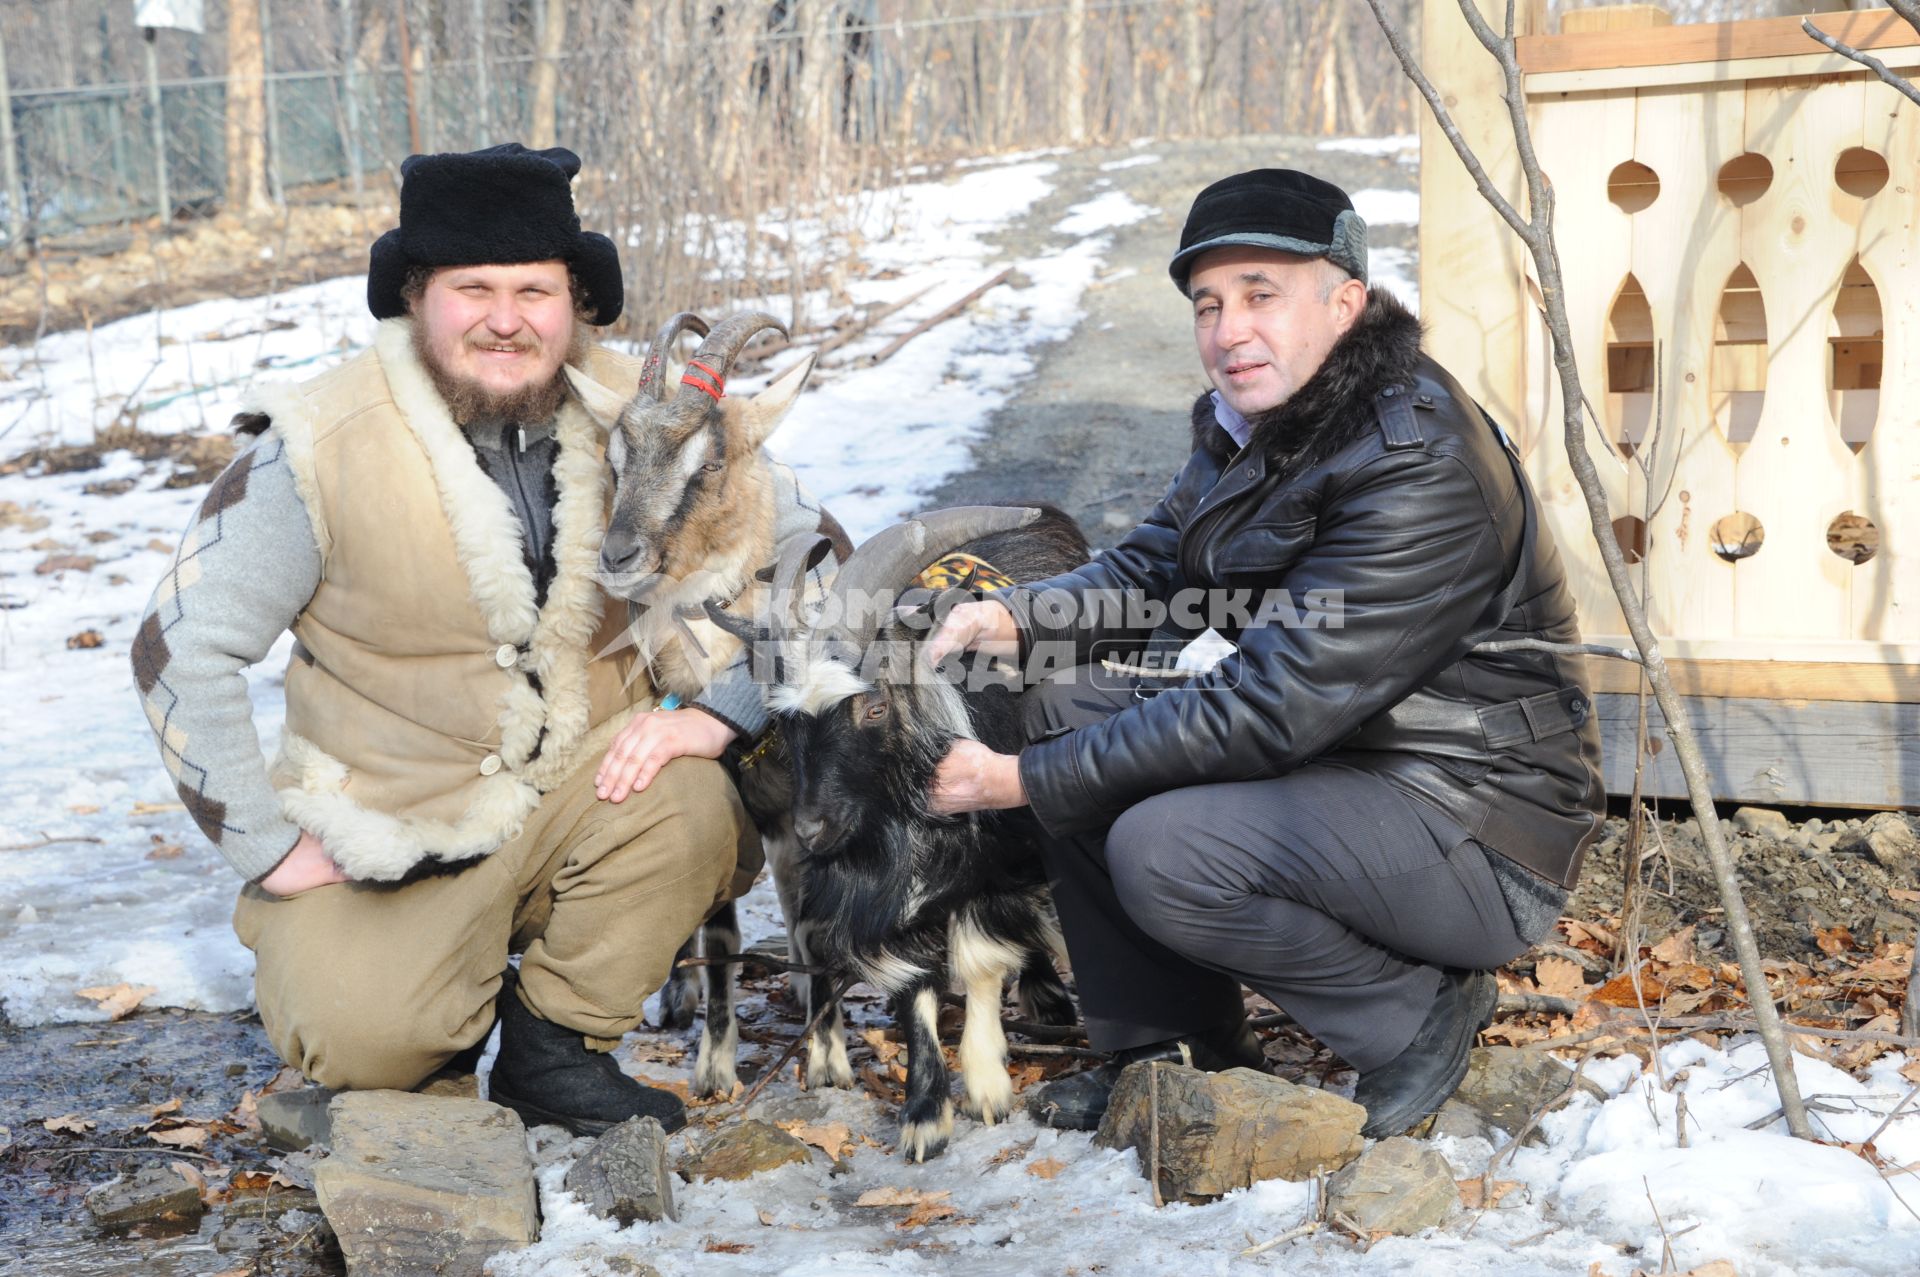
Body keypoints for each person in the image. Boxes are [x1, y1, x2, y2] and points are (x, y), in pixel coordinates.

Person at [130, 143, 831, 1136]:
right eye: (473, 287)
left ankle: (556, 1042)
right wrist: (268, 843)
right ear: (417, 296)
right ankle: (432, 1003)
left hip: (595, 794)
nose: (507, 318)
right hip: (393, 823)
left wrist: (725, 714)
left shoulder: (656, 412)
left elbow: (821, 566)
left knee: (695, 800)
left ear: (576, 302)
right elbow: (177, 648)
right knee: (364, 1039)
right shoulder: (320, 443)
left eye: (536, 289)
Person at [925, 168, 1605, 1137]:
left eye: (1260, 294)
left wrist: (1021, 779)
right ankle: (1168, 1043)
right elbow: (1167, 560)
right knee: (1062, 701)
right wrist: (1018, 618)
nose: (1229, 329)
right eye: (1209, 303)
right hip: (1353, 759)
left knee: (1163, 848)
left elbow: (1269, 704)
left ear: (1345, 300)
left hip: (1479, 818)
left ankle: (1412, 1014)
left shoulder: (1416, 459)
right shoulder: (1261, 419)